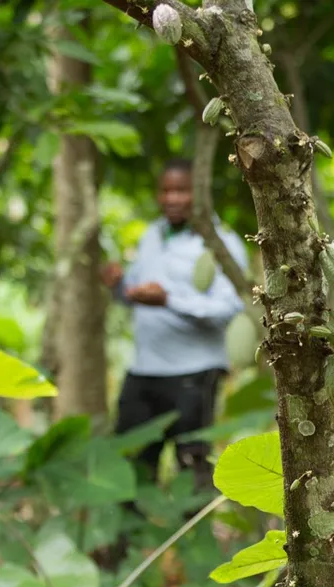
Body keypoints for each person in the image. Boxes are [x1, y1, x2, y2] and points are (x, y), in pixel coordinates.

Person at [101, 158, 248, 490]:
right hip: (143, 372)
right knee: (130, 466)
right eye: (166, 191)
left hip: (194, 376)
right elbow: (135, 295)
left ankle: (190, 535)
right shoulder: (152, 235)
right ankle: (129, 541)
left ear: (199, 194)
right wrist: (117, 286)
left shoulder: (221, 243)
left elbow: (228, 308)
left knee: (191, 468)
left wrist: (169, 301)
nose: (173, 199)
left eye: (182, 191)